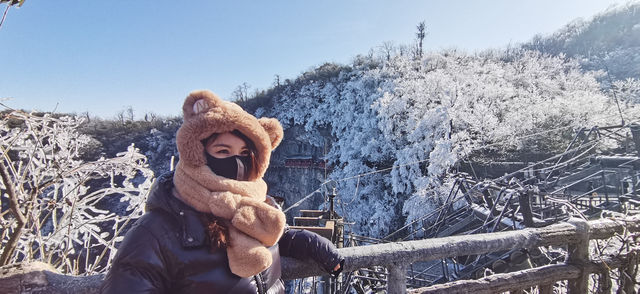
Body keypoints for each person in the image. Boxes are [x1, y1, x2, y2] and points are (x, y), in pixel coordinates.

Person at [101, 90, 343, 293]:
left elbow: (274, 238)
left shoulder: (257, 210)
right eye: (223, 151)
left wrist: (311, 243)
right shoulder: (157, 231)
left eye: (244, 153)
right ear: (199, 154)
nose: (236, 162)